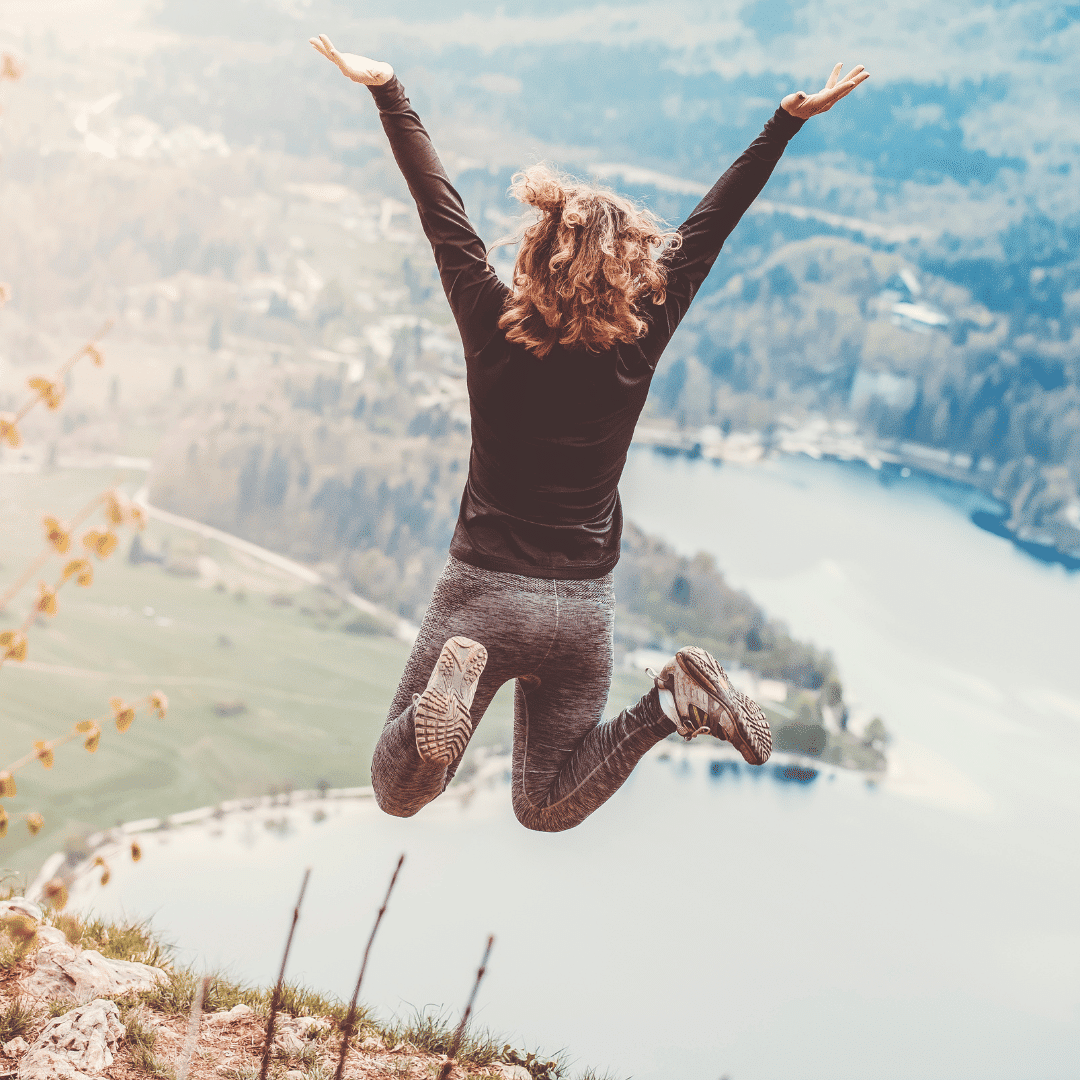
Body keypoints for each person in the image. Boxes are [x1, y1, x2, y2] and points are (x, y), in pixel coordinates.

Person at [310, 34, 868, 832]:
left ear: (535, 253)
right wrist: (784, 122)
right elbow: (711, 227)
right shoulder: (638, 343)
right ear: (632, 268)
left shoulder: (490, 324)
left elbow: (442, 210)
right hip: (581, 610)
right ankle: (672, 702)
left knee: (400, 791)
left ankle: (445, 706)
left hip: (481, 595)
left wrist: (390, 90)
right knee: (542, 804)